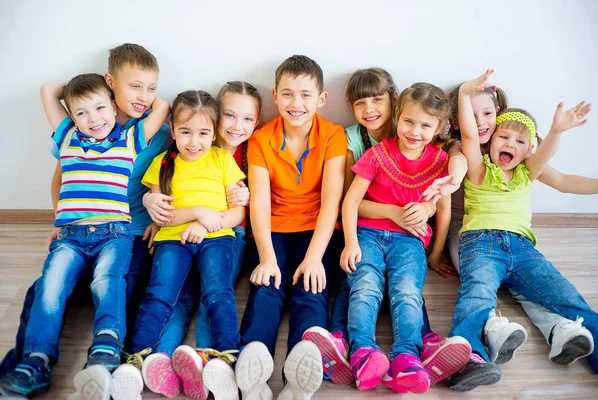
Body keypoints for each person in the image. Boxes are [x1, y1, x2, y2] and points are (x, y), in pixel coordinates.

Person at [0, 72, 169, 398]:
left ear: (111, 103)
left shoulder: (129, 139)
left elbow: (161, 105)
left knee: (108, 281)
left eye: (100, 108)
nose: (93, 119)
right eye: (82, 112)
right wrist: (89, 94)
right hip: (70, 236)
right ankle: (36, 360)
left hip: (115, 233)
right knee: (49, 288)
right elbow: (48, 90)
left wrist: (111, 96)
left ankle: (105, 345)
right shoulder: (68, 136)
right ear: (72, 116)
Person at [303, 68, 471, 388]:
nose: (414, 131)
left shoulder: (439, 160)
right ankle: (363, 350)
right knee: (364, 285)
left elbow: (442, 204)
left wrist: (435, 251)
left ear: (438, 129)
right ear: (398, 115)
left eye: (425, 125)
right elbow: (350, 202)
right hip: (366, 233)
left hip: (409, 240)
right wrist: (350, 243)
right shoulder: (376, 153)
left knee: (406, 290)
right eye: (408, 122)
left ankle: (407, 356)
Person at [448, 69, 598, 391]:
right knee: (477, 296)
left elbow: (566, 180)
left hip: (524, 249)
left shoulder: (527, 172)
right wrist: (463, 93)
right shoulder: (478, 167)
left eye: (519, 141)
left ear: (529, 150)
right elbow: (472, 136)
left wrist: (557, 130)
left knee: (567, 296)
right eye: (503, 137)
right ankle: (468, 359)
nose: (508, 144)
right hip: (481, 243)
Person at [134, 81, 261, 400]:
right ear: (173, 131)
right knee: (162, 295)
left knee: (216, 292)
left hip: (218, 238)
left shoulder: (222, 160)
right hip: (173, 240)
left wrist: (206, 225)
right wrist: (198, 212)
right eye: (185, 132)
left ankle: (222, 357)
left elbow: (236, 212)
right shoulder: (163, 162)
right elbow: (162, 214)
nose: (194, 141)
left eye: (202, 132)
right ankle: (140, 360)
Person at [235, 55, 346, 400]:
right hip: (273, 228)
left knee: (311, 287)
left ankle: (301, 369)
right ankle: (253, 363)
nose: (296, 104)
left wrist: (314, 258)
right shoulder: (260, 140)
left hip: (319, 229)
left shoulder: (333, 136)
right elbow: (260, 202)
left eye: (305, 95)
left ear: (321, 99)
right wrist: (267, 257)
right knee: (267, 286)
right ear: (275, 95)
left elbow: (331, 202)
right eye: (287, 94)